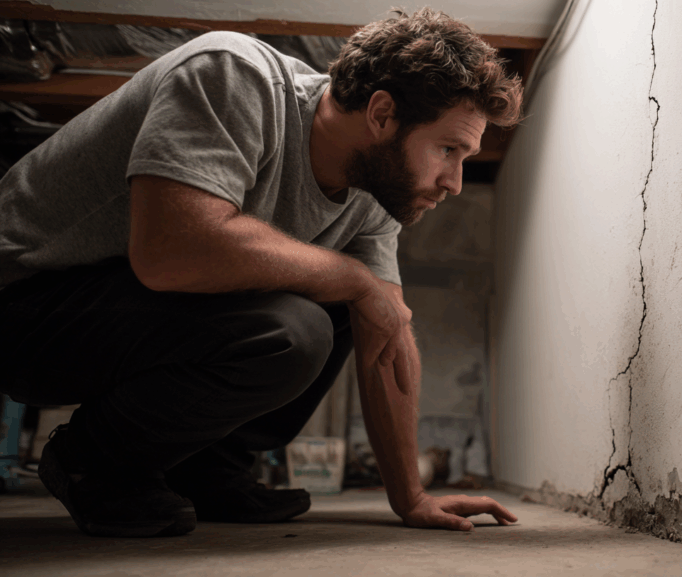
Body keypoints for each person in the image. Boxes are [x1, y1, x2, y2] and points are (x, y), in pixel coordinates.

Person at [0, 8, 522, 538]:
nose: (454, 182)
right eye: (448, 149)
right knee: (296, 325)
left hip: (116, 317)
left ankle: (202, 468)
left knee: (354, 306)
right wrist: (352, 278)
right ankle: (95, 462)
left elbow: (385, 338)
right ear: (383, 114)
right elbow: (168, 250)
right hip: (23, 303)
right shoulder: (233, 74)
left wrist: (410, 497)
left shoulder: (373, 193)